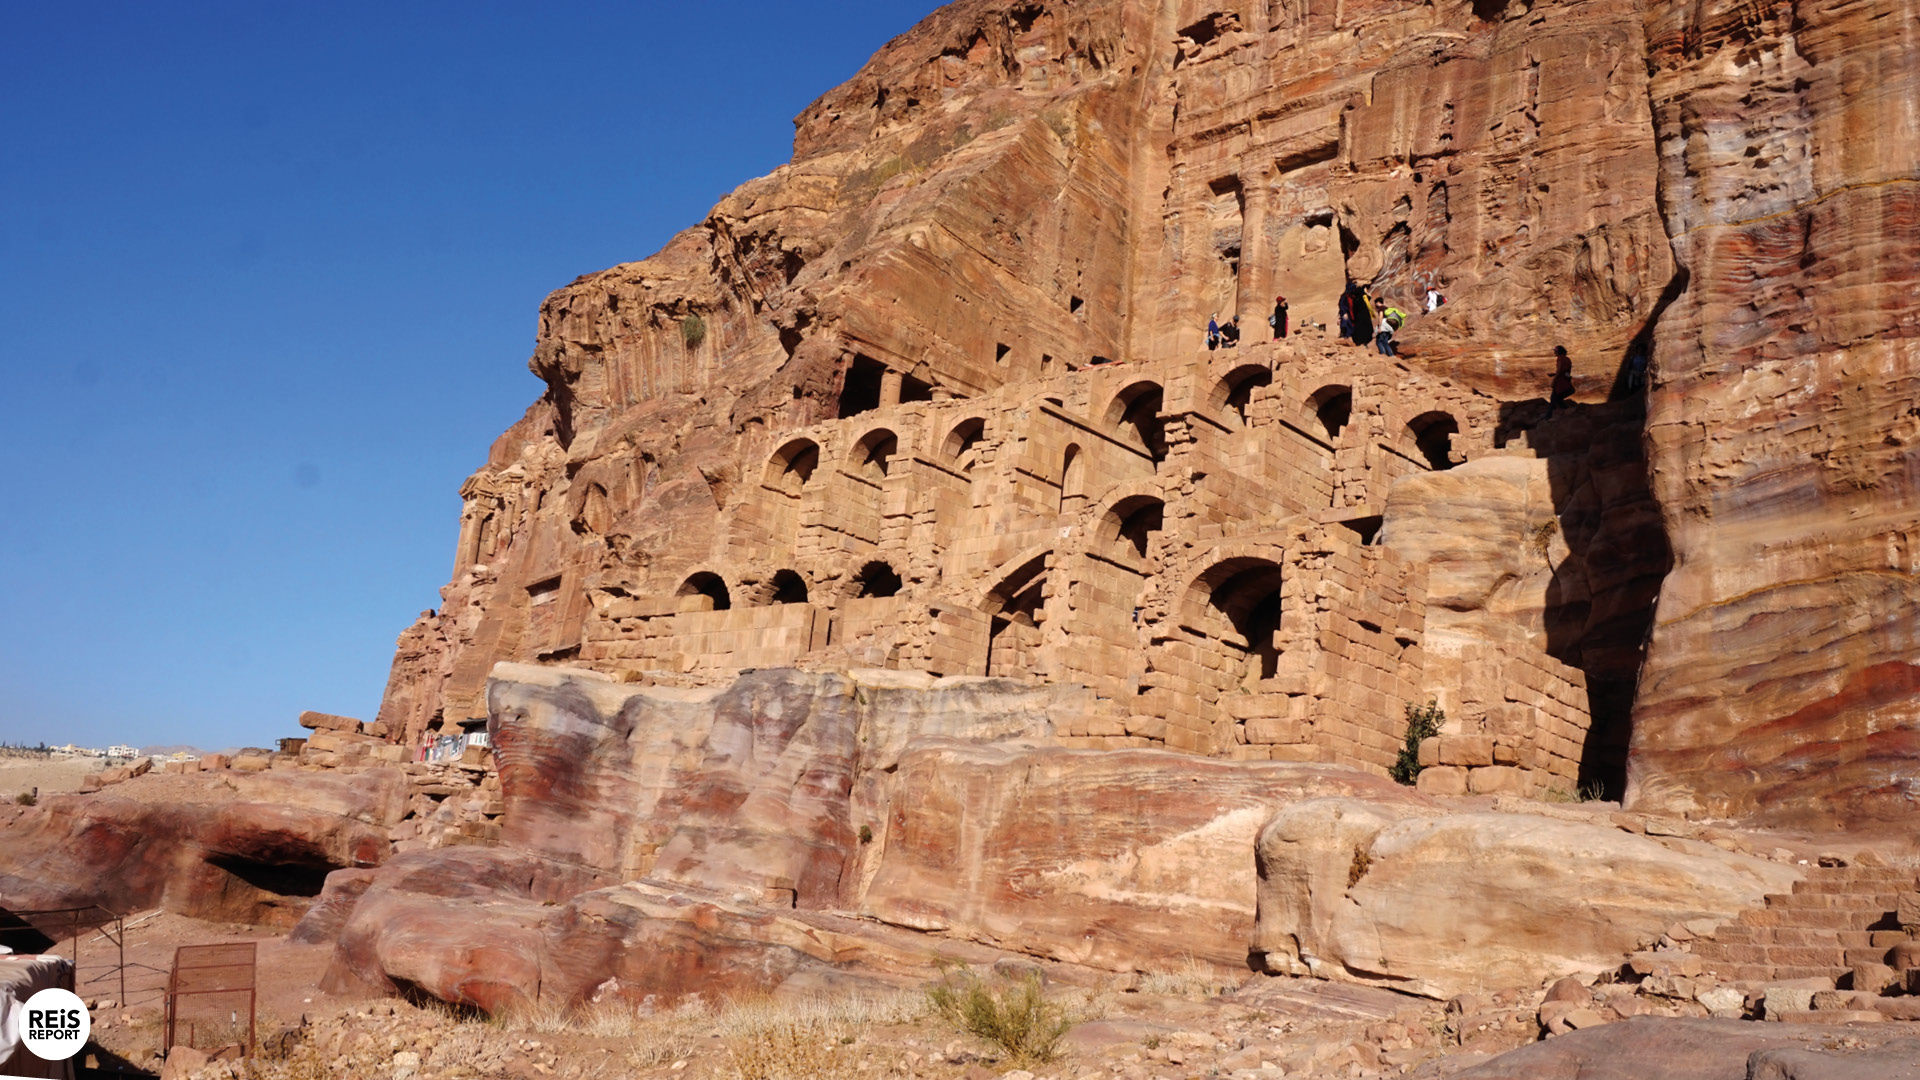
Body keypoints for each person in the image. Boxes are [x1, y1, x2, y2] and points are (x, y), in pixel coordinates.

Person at [1546, 345, 1575, 417]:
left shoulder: (1560, 358)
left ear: (1559, 351)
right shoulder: (1567, 359)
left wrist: (1553, 380)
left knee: (1554, 398)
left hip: (1560, 382)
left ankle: (1549, 416)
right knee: (1557, 399)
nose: (1554, 352)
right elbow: (1564, 371)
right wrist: (1553, 374)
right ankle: (1567, 411)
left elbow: (1559, 370)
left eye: (1555, 351)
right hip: (1565, 381)